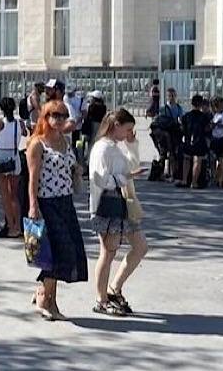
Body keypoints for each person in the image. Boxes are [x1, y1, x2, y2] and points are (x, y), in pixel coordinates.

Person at [25, 100, 88, 321]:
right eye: (55, 115)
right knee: (54, 254)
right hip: (46, 203)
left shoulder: (65, 141)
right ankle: (47, 301)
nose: (59, 119)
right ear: (45, 117)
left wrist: (77, 169)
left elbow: (69, 166)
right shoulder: (37, 144)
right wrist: (33, 206)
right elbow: (32, 179)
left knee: (68, 252)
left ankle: (45, 296)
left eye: (63, 115)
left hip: (65, 202)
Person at [88, 109, 148, 316]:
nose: (129, 133)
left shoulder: (115, 147)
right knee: (107, 252)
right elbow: (100, 179)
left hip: (124, 203)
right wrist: (126, 176)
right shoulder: (103, 148)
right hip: (107, 204)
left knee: (140, 246)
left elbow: (132, 165)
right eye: (128, 129)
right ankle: (101, 299)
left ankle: (114, 288)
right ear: (116, 126)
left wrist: (131, 144)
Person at [0, 97, 25, 239]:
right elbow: (24, 134)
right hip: (14, 156)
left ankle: (11, 226)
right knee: (14, 195)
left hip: (1, 156)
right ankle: (17, 226)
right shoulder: (19, 123)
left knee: (5, 195)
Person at [177, 94, 212, 189]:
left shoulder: (186, 116)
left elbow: (182, 128)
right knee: (198, 161)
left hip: (188, 141)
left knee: (186, 159)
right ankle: (194, 182)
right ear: (201, 104)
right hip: (200, 141)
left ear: (192, 103)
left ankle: (184, 180)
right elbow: (207, 129)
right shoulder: (204, 117)